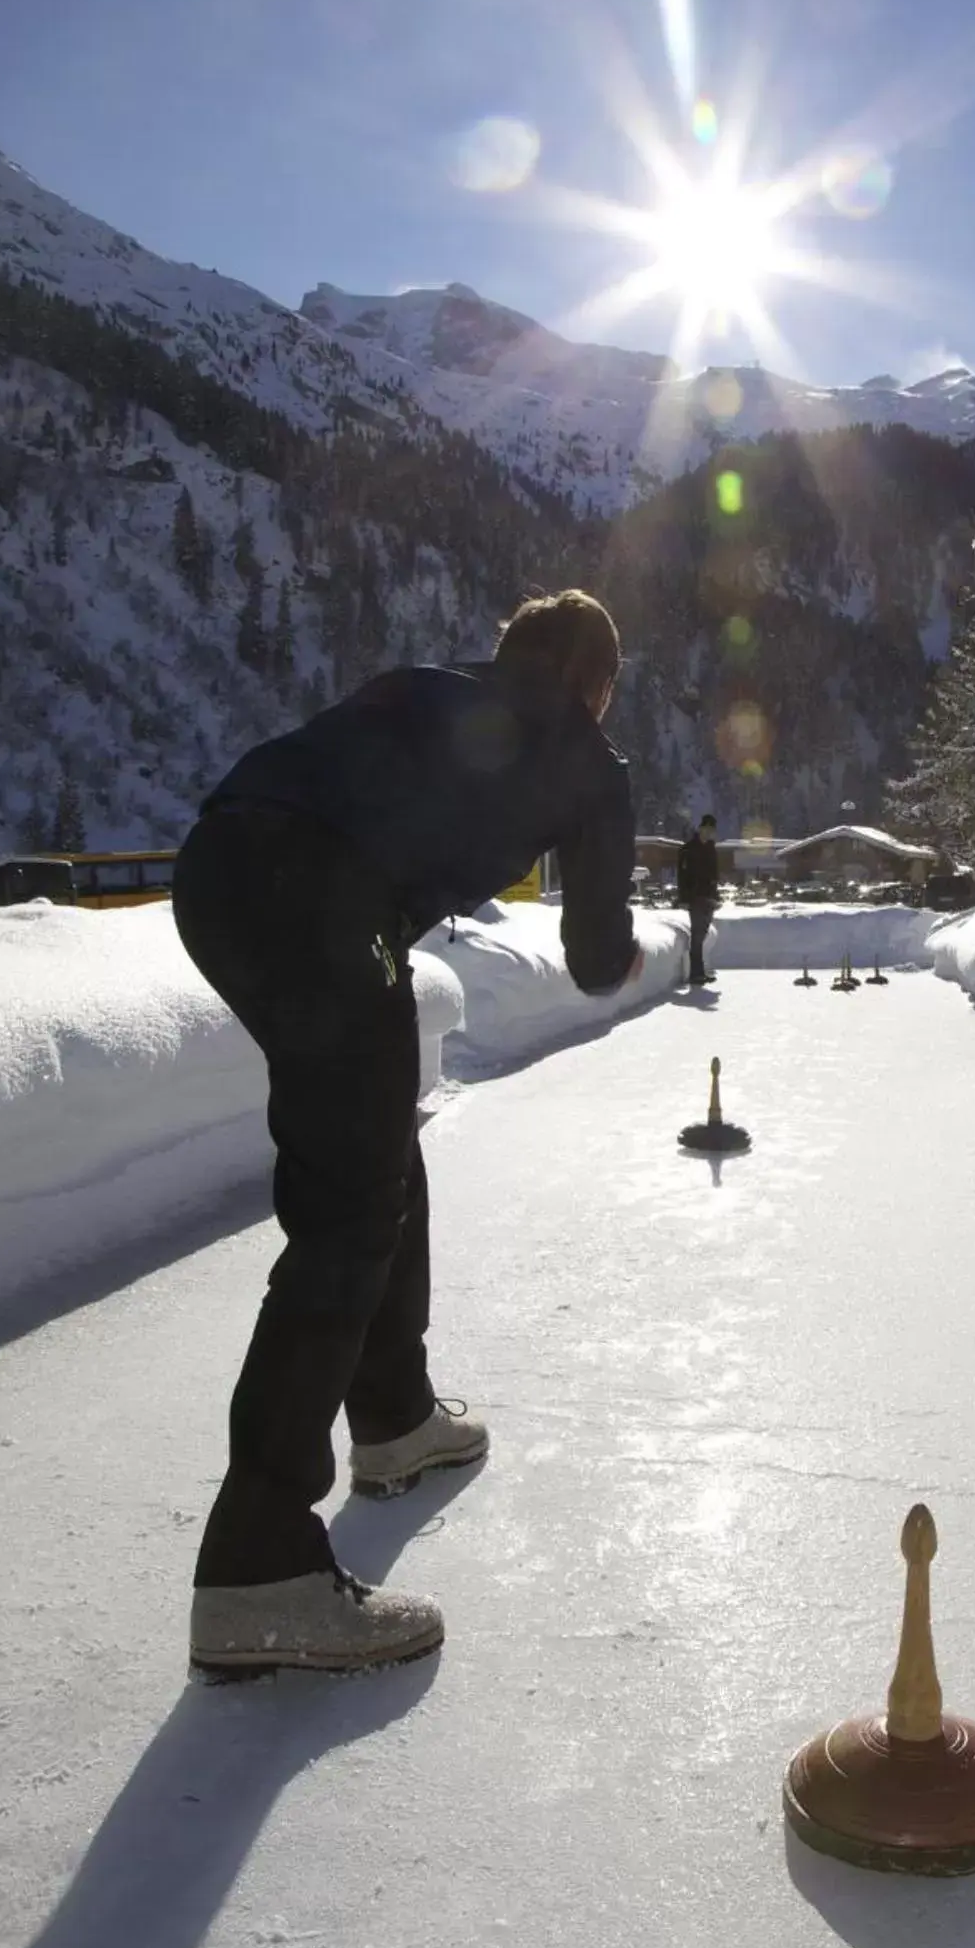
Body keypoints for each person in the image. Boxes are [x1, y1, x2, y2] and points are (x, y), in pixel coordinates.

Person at [173, 590, 641, 1676]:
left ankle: (394, 1414)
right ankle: (258, 1569)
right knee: (345, 1212)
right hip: (325, 899)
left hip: (217, 868)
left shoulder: (426, 685)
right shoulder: (587, 753)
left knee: (375, 1139)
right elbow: (589, 952)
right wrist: (619, 954)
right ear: (595, 683)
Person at [676, 813, 720, 983]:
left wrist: (716, 896)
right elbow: (681, 875)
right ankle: (696, 973)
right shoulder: (688, 849)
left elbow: (715, 875)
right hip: (694, 896)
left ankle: (700, 970)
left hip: (709, 896)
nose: (709, 833)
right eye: (706, 829)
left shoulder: (711, 849)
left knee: (703, 933)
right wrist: (683, 898)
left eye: (712, 831)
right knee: (697, 933)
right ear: (700, 828)